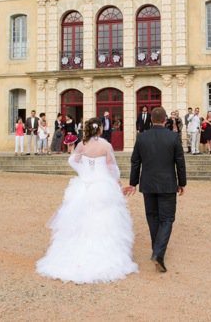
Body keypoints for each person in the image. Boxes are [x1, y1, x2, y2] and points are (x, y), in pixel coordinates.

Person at [36, 118, 138, 284]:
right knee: (104, 219)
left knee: (80, 218)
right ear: (99, 130)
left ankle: (74, 253)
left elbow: (71, 160)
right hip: (102, 185)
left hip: (84, 184)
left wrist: (84, 173)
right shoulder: (106, 145)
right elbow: (112, 169)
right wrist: (117, 184)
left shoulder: (82, 144)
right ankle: (105, 253)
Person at [125, 107, 186, 273]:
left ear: (151, 119)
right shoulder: (173, 137)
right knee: (166, 219)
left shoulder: (142, 137)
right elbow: (180, 161)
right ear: (165, 119)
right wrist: (182, 182)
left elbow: (135, 161)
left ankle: (156, 250)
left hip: (148, 183)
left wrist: (133, 182)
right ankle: (158, 253)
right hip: (167, 183)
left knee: (152, 217)